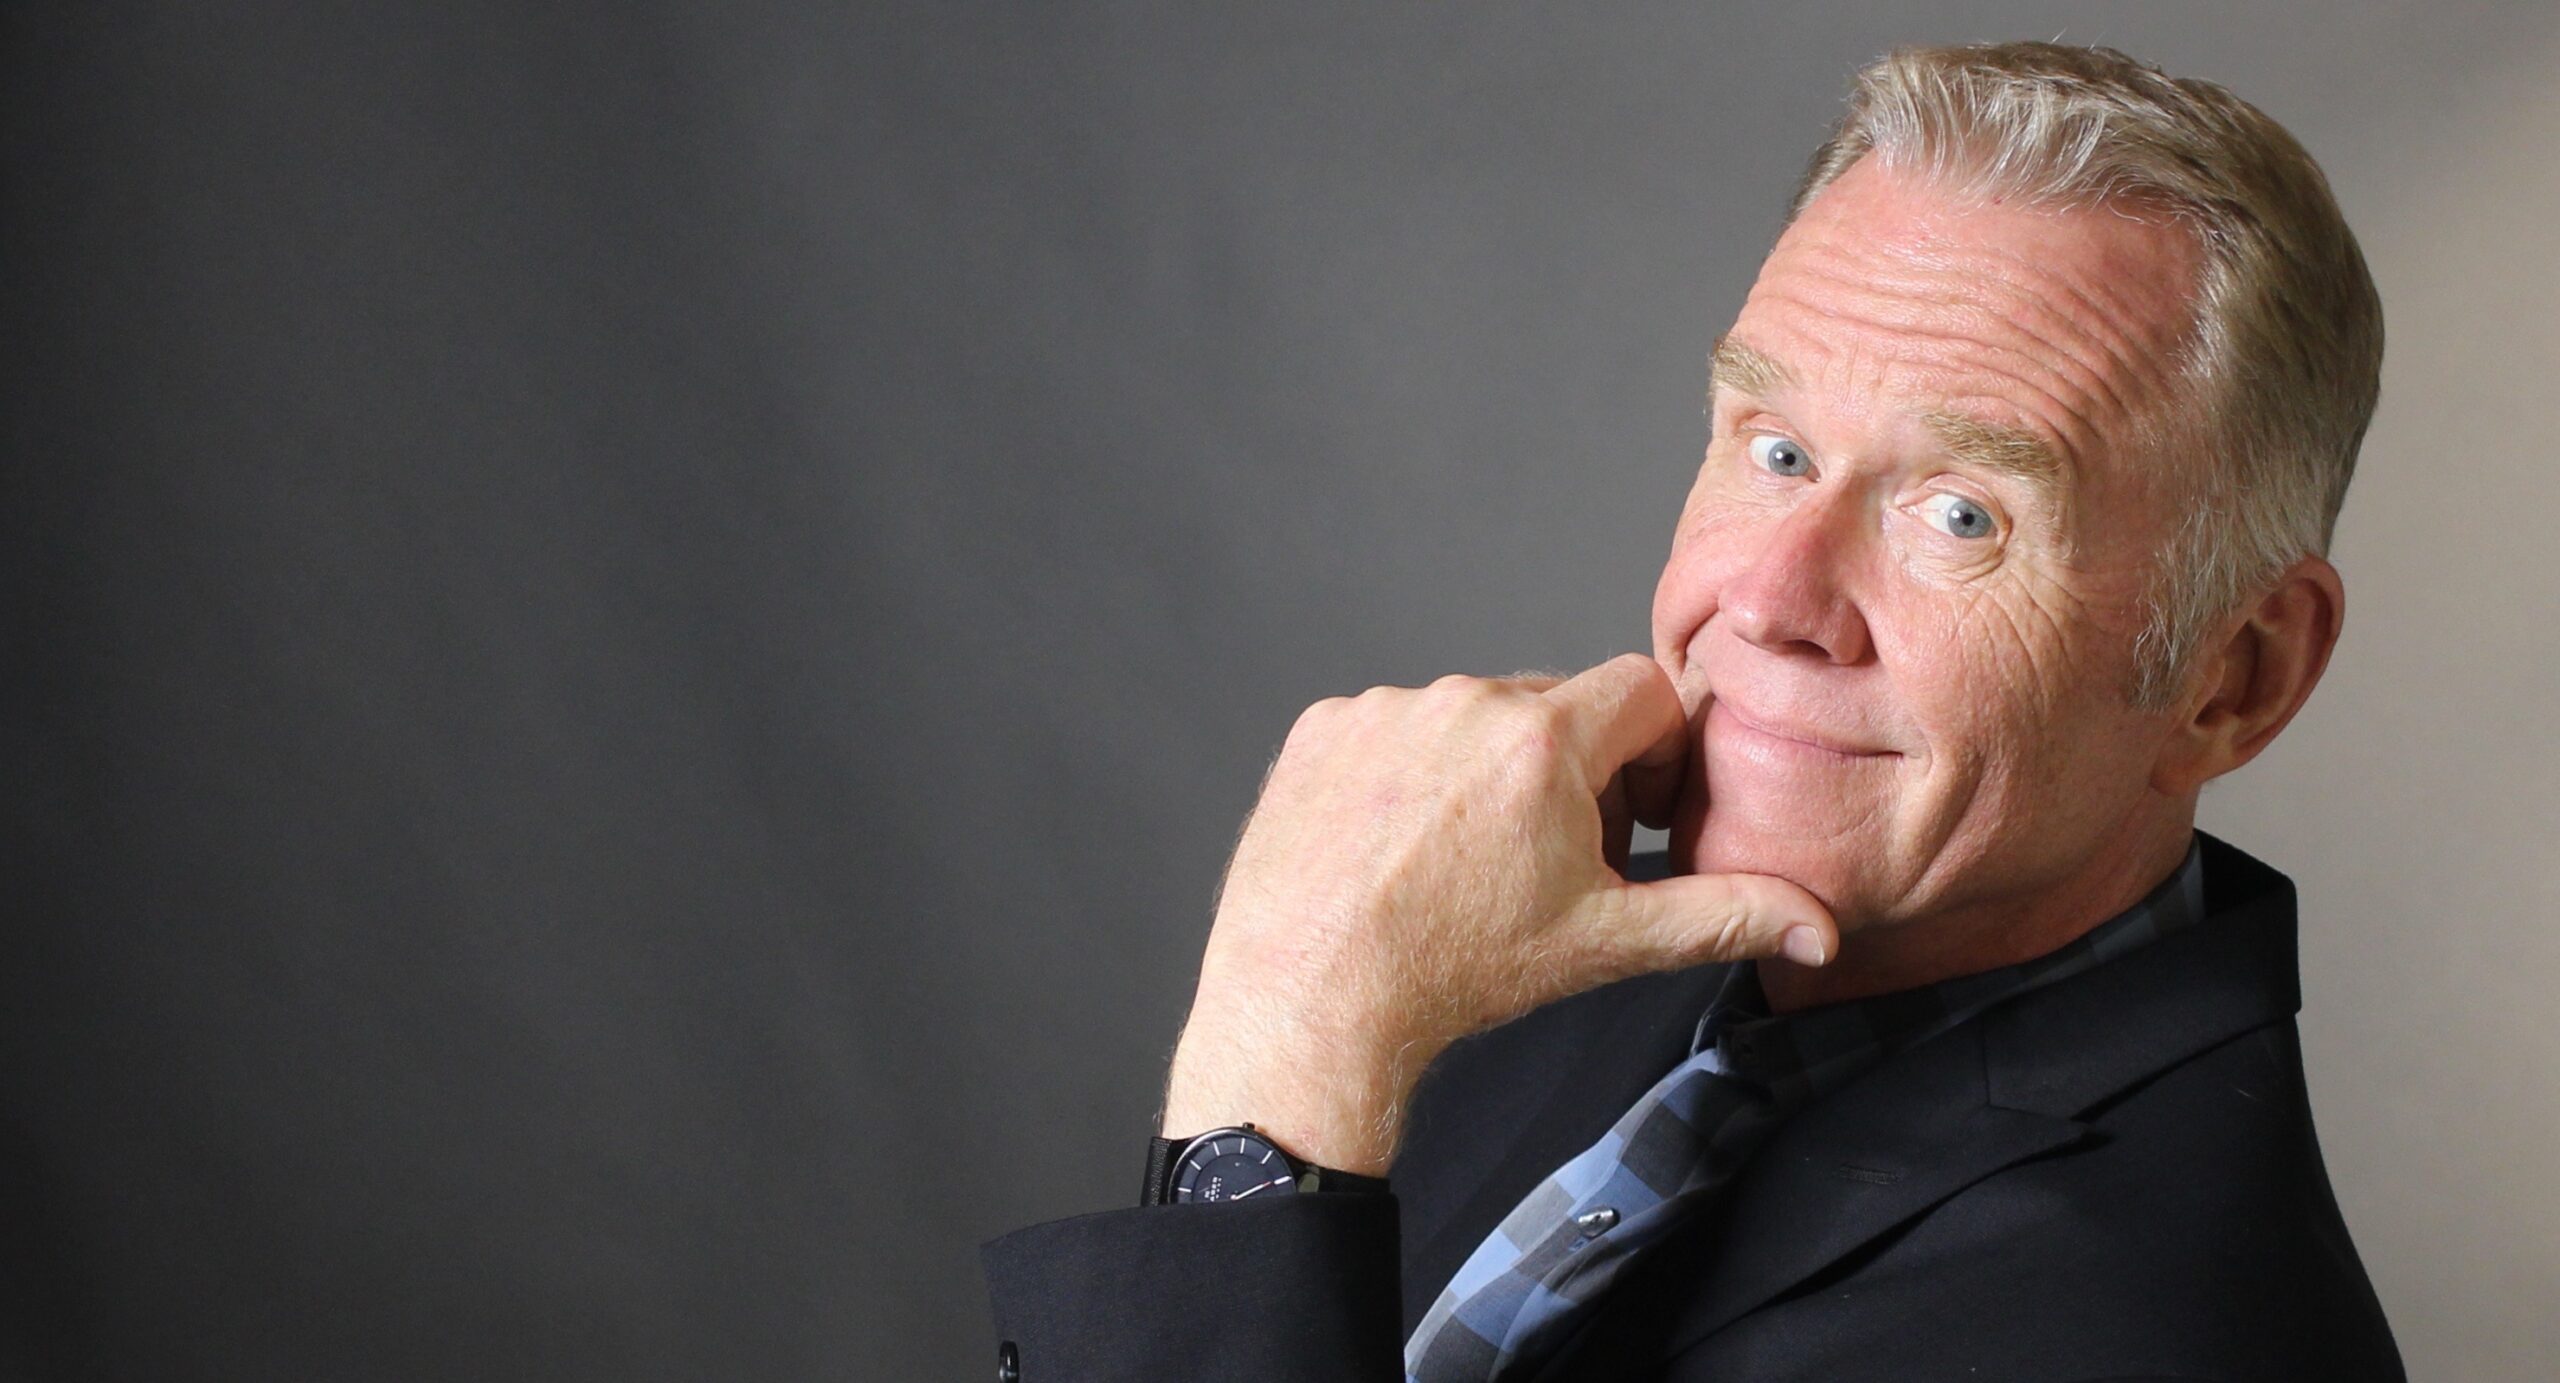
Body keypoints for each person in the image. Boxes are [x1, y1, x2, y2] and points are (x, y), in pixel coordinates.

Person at [982, 40, 2400, 1382]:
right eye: (1776, 449)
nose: (1772, 598)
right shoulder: (1542, 972)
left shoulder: (2157, 1331)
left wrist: (1280, 1054)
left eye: (1962, 513)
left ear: (2236, 678)